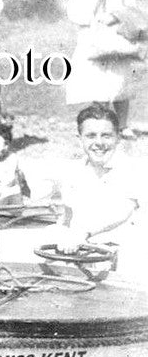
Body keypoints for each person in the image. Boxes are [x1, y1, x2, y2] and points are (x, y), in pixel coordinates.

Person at [65, 0, 143, 139]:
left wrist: (115, 16)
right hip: (92, 38)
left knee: (120, 81)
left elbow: (132, 9)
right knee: (98, 83)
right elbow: (75, 14)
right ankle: (103, 125)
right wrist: (94, 16)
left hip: (118, 36)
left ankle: (123, 125)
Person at [48, 105, 140, 259]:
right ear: (80, 139)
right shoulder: (73, 172)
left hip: (121, 255)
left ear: (118, 138)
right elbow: (66, 217)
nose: (99, 142)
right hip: (79, 252)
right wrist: (62, 233)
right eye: (91, 136)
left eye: (106, 136)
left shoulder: (131, 170)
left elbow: (123, 211)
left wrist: (82, 233)